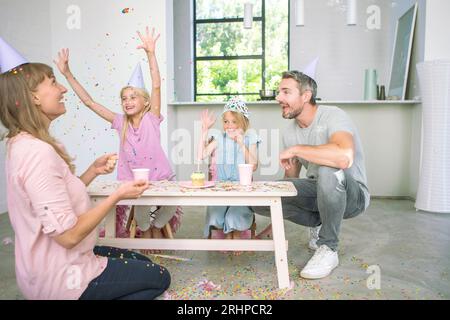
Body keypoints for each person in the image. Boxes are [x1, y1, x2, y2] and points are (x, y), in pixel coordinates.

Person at [0, 62, 170, 299]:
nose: (62, 89)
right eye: (53, 82)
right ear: (34, 98)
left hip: (46, 263)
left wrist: (92, 171)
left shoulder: (24, 144)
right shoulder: (37, 153)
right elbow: (69, 236)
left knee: (141, 260)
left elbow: (53, 198)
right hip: (61, 278)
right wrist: (117, 196)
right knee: (160, 277)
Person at [54, 26, 181, 241]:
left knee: (169, 208)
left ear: (146, 101)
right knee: (141, 214)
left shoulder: (152, 118)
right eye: (124, 98)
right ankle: (146, 230)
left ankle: (157, 226)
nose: (128, 102)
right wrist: (67, 74)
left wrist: (151, 53)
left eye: (133, 97)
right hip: (134, 181)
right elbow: (89, 102)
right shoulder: (119, 121)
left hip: (160, 178)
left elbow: (157, 85)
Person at [254, 70, 370, 279]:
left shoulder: (333, 115)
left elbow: (344, 158)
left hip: (353, 195)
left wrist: (298, 149)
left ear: (305, 96)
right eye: (279, 92)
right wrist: (274, 214)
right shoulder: (289, 132)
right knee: (257, 196)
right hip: (317, 191)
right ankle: (319, 222)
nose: (278, 98)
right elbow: (290, 185)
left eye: (285, 92)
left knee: (329, 169)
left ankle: (328, 248)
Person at [198, 98, 260, 242]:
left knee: (234, 215)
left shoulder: (250, 138)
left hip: (242, 188)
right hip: (221, 187)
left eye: (234, 122)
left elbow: (254, 165)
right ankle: (226, 232)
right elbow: (201, 155)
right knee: (216, 216)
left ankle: (235, 232)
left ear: (243, 122)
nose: (229, 126)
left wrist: (240, 142)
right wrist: (204, 130)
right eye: (226, 122)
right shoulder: (220, 138)